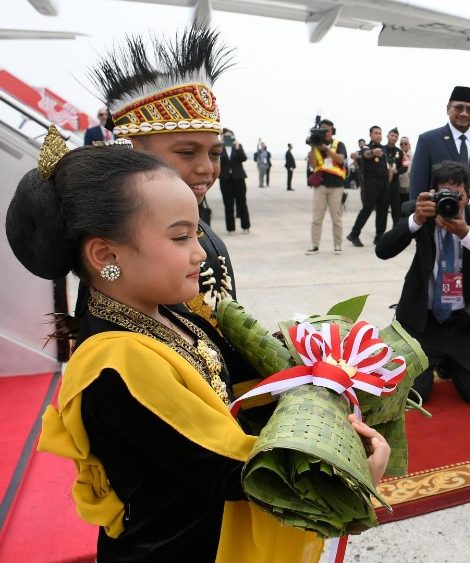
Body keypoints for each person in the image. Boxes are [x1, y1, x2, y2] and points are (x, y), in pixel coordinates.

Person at [6, 142, 389, 562]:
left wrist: (321, 378)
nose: (201, 252)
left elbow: (235, 388)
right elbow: (235, 470)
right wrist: (339, 469)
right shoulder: (117, 364)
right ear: (106, 254)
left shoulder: (166, 311)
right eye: (180, 236)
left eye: (197, 231)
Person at [89, 25, 238, 322]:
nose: (206, 168)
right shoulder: (121, 247)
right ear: (131, 150)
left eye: (215, 154)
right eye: (187, 152)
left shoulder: (207, 236)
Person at [376, 161, 470, 404]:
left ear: (469, 195)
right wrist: (415, 220)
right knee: (416, 395)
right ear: (432, 194)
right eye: (445, 194)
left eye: (458, 196)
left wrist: (465, 232)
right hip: (423, 322)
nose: (451, 202)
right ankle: (439, 361)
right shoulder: (418, 211)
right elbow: (383, 250)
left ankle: (453, 362)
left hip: (463, 321)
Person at [409, 87, 470, 230]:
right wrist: (418, 221)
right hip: (438, 223)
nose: (464, 113)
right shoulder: (428, 140)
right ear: (447, 109)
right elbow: (417, 188)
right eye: (458, 108)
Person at [306, 119, 348, 254]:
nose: (325, 133)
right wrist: (313, 145)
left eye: (327, 130)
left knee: (336, 217)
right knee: (317, 218)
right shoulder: (316, 145)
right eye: (322, 130)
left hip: (336, 186)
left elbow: (340, 159)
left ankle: (338, 245)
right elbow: (313, 164)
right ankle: (314, 245)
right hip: (320, 186)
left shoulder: (339, 144)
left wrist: (325, 148)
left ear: (332, 131)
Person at [346, 126, 390, 247]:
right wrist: (372, 152)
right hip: (372, 184)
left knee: (383, 211)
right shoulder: (367, 147)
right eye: (376, 133)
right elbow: (365, 154)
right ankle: (354, 234)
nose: (378, 135)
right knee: (367, 209)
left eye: (380, 133)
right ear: (370, 135)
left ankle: (379, 237)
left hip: (384, 184)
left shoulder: (383, 149)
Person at [220, 128, 250, 234]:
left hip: (238, 179)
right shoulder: (219, 148)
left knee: (242, 203)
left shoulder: (237, 146)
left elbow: (244, 158)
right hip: (225, 179)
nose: (228, 138)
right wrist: (219, 144)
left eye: (230, 136)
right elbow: (215, 159)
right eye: (226, 136)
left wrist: (238, 148)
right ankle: (230, 228)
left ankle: (245, 226)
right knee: (228, 205)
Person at [385, 127, 408, 226]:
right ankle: (379, 236)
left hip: (395, 184)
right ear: (387, 136)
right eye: (392, 135)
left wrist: (396, 171)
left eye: (396, 136)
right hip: (383, 183)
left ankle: (395, 232)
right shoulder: (382, 149)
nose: (393, 138)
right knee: (382, 211)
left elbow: (405, 167)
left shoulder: (400, 152)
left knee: (396, 210)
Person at [398, 136, 412, 203]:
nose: (403, 145)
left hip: (410, 189)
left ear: (409, 145)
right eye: (401, 144)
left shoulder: (414, 156)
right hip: (399, 190)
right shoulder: (397, 156)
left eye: (405, 144)